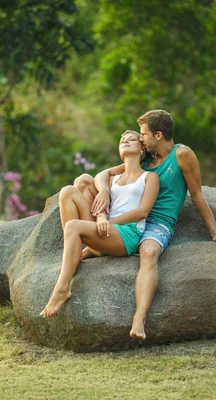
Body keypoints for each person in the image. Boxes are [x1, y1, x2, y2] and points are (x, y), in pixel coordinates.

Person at [79, 110, 216, 339]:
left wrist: (215, 231)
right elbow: (105, 173)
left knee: (149, 252)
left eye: (143, 134)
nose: (141, 138)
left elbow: (196, 195)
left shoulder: (182, 154)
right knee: (84, 183)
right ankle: (91, 246)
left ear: (158, 134)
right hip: (131, 217)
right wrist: (104, 190)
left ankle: (139, 320)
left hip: (158, 222)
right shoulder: (145, 157)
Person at [40, 131, 160, 318]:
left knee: (73, 226)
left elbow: (142, 211)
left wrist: (108, 221)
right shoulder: (113, 179)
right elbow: (100, 185)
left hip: (126, 233)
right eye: (122, 140)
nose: (125, 141)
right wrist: (102, 212)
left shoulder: (149, 177)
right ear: (120, 152)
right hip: (105, 231)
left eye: (131, 139)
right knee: (68, 191)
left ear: (142, 147)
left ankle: (62, 289)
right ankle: (78, 252)